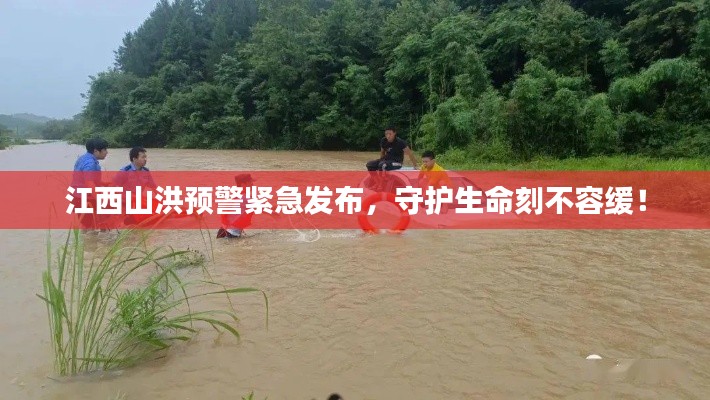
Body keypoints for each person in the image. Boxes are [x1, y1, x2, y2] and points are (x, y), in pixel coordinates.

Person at [70, 138, 110, 230]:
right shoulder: (90, 163)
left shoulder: (82, 158)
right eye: (104, 149)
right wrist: (101, 200)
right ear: (96, 151)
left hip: (77, 196)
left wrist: (104, 183)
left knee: (87, 226)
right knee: (91, 227)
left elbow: (85, 178)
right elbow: (89, 184)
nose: (106, 152)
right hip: (84, 198)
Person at [217, 173, 255, 239]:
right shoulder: (245, 197)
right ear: (243, 184)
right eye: (250, 182)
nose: (252, 184)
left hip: (223, 231)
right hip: (231, 234)